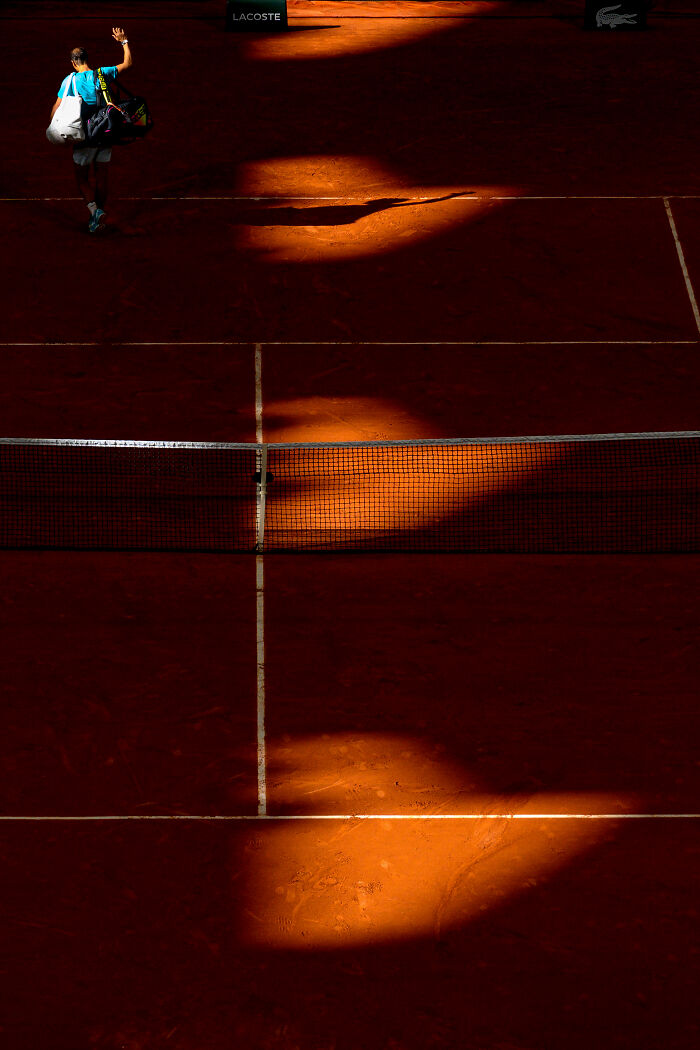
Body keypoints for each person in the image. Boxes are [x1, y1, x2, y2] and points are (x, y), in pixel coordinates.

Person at [50, 28, 132, 234]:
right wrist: (124, 42)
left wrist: (54, 128)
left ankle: (95, 212)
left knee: (82, 178)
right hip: (106, 133)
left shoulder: (69, 80)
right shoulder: (102, 73)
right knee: (102, 176)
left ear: (73, 63)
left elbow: (57, 107)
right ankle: (98, 218)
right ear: (87, 59)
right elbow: (127, 63)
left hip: (85, 136)